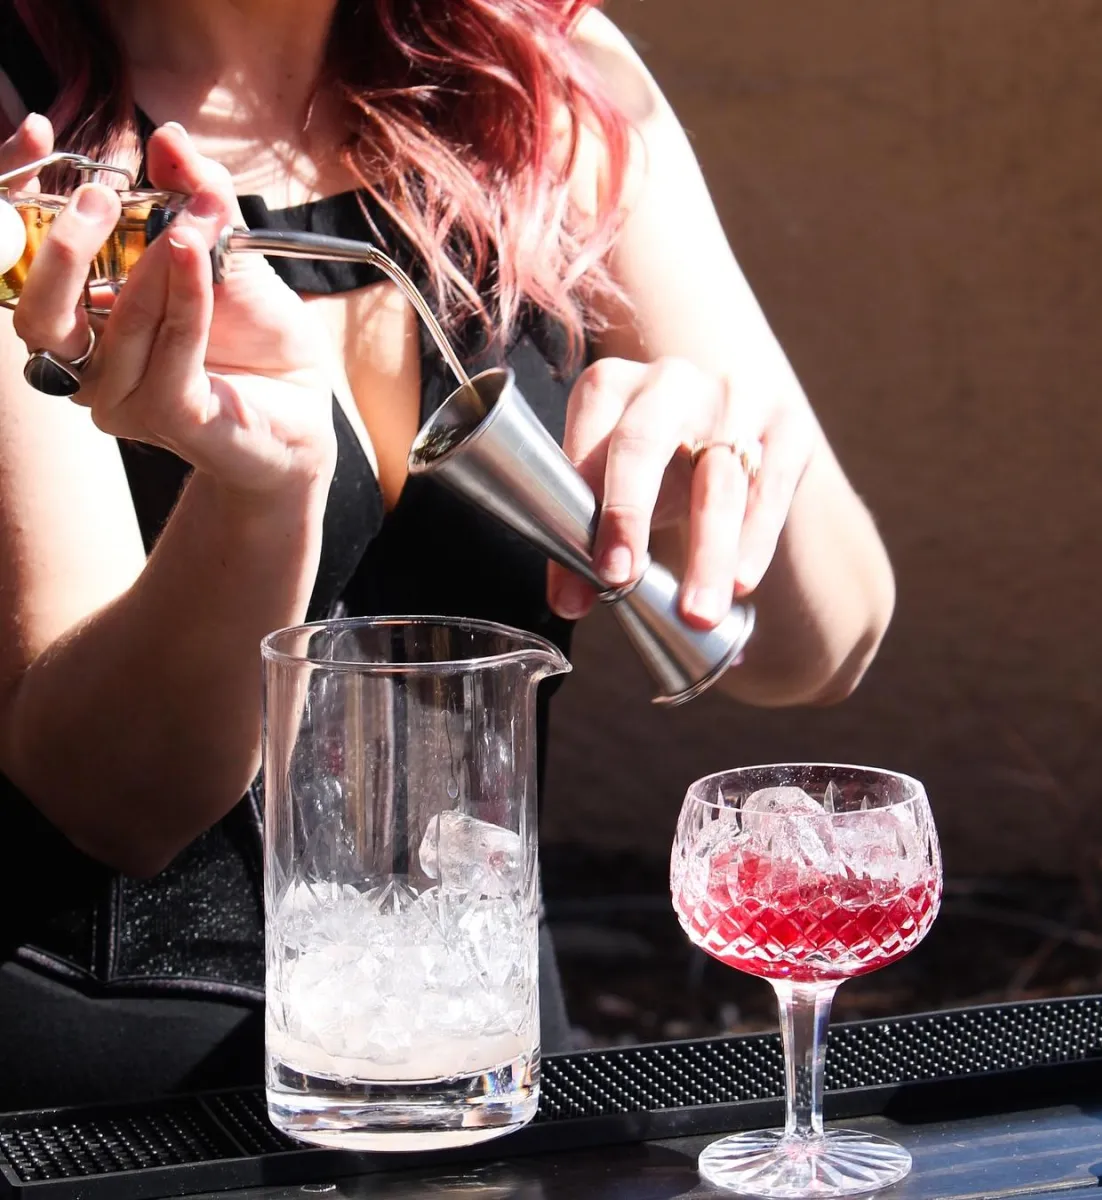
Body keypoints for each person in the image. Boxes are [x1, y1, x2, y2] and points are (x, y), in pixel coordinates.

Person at [0, 0, 895, 1110]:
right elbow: (115, 799)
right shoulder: (27, 145)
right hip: (108, 1107)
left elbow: (822, 648)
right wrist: (259, 499)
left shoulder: (537, 77)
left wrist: (712, 493)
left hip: (488, 1061)